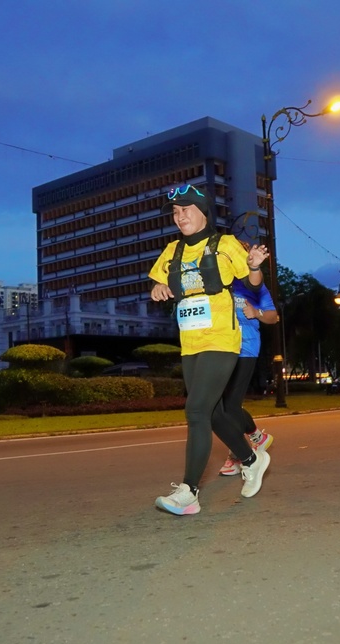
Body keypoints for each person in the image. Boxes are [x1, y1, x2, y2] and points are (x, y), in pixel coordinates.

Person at [149, 184, 272, 515]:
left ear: (203, 212)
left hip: (221, 338)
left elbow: (254, 284)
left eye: (186, 210)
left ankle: (189, 493)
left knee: (196, 410)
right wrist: (158, 288)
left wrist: (255, 265)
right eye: (176, 212)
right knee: (213, 414)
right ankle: (251, 459)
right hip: (190, 342)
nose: (180, 217)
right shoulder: (171, 251)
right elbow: (160, 283)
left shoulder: (225, 245)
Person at [218, 250, 280, 476]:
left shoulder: (256, 287)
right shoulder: (223, 282)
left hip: (246, 347)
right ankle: (256, 436)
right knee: (222, 405)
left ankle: (237, 455)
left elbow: (273, 317)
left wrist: (257, 312)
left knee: (231, 405)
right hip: (221, 347)